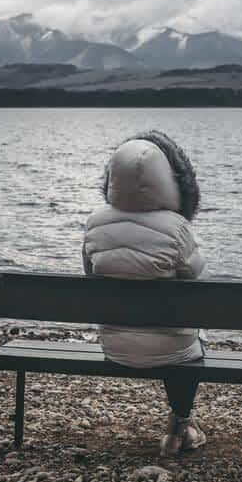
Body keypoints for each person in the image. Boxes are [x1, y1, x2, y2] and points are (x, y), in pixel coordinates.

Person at [82, 130, 207, 457]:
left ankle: (181, 427)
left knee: (172, 334)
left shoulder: (94, 224)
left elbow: (90, 278)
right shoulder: (177, 229)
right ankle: (178, 426)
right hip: (170, 349)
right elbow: (196, 282)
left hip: (116, 345)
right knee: (185, 340)